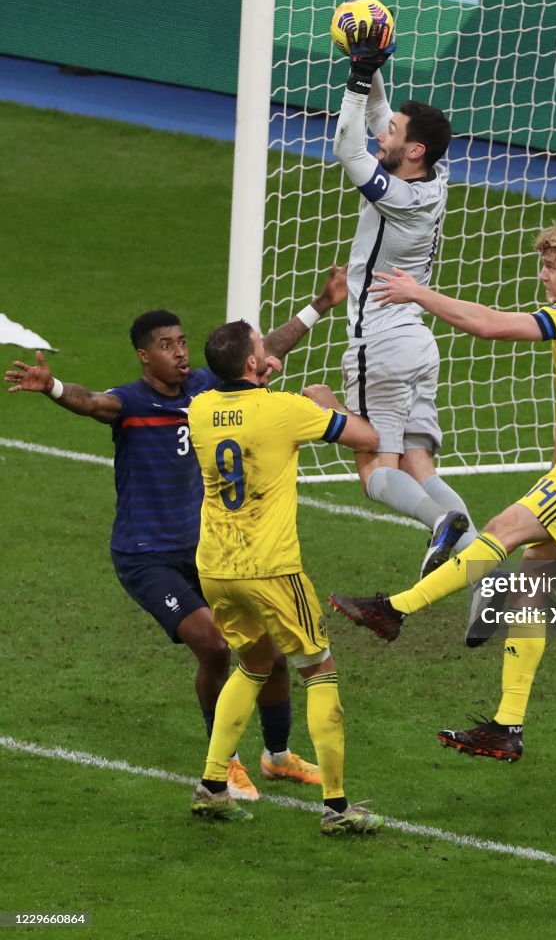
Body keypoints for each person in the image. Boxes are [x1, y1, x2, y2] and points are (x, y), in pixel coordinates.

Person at [4, 269, 346, 799]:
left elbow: (261, 351)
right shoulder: (132, 403)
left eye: (183, 342)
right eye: (167, 346)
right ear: (145, 356)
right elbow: (90, 400)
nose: (180, 353)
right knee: (212, 646)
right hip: (147, 558)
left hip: (208, 554)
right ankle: (225, 760)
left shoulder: (208, 389)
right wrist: (49, 386)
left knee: (271, 651)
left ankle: (278, 757)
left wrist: (319, 306)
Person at [330, 219, 556, 761]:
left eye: (551, 267)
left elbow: (490, 326)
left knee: (502, 531)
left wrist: (417, 293)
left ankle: (395, 610)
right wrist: (555, 470)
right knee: (532, 579)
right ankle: (506, 726)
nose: (542, 275)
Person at [186, 319, 383, 833]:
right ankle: (338, 809)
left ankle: (210, 787)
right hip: (270, 566)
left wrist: (263, 373)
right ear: (254, 363)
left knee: (251, 663)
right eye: (260, 347)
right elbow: (368, 436)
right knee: (319, 669)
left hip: (215, 566)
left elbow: (245, 401)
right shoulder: (287, 410)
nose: (266, 350)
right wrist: (325, 401)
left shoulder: (201, 407)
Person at [332, 18, 480, 576]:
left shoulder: (400, 195)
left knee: (375, 468)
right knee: (421, 466)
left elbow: (348, 146)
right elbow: (377, 123)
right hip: (418, 345)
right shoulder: (431, 176)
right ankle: (484, 573)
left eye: (392, 134)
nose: (381, 135)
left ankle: (441, 528)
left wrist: (354, 81)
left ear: (413, 149)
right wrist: (372, 71)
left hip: (383, 341)